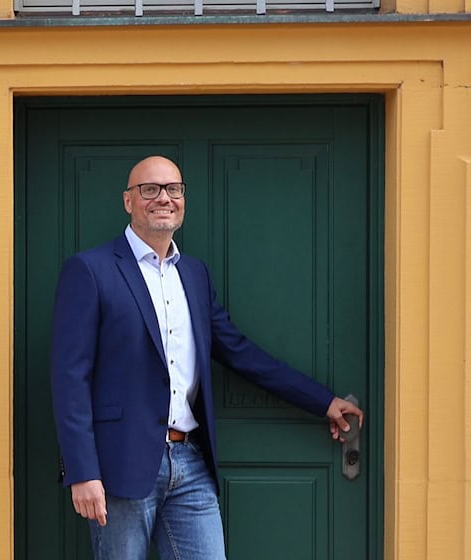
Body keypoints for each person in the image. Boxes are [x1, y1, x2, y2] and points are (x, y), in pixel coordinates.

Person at [51, 155, 364, 559]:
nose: (163, 198)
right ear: (128, 201)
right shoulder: (91, 270)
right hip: (119, 468)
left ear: (183, 200)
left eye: (173, 189)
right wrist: (83, 471)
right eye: (150, 189)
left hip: (192, 464)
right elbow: (69, 377)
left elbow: (238, 350)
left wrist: (322, 401)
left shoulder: (193, 275)